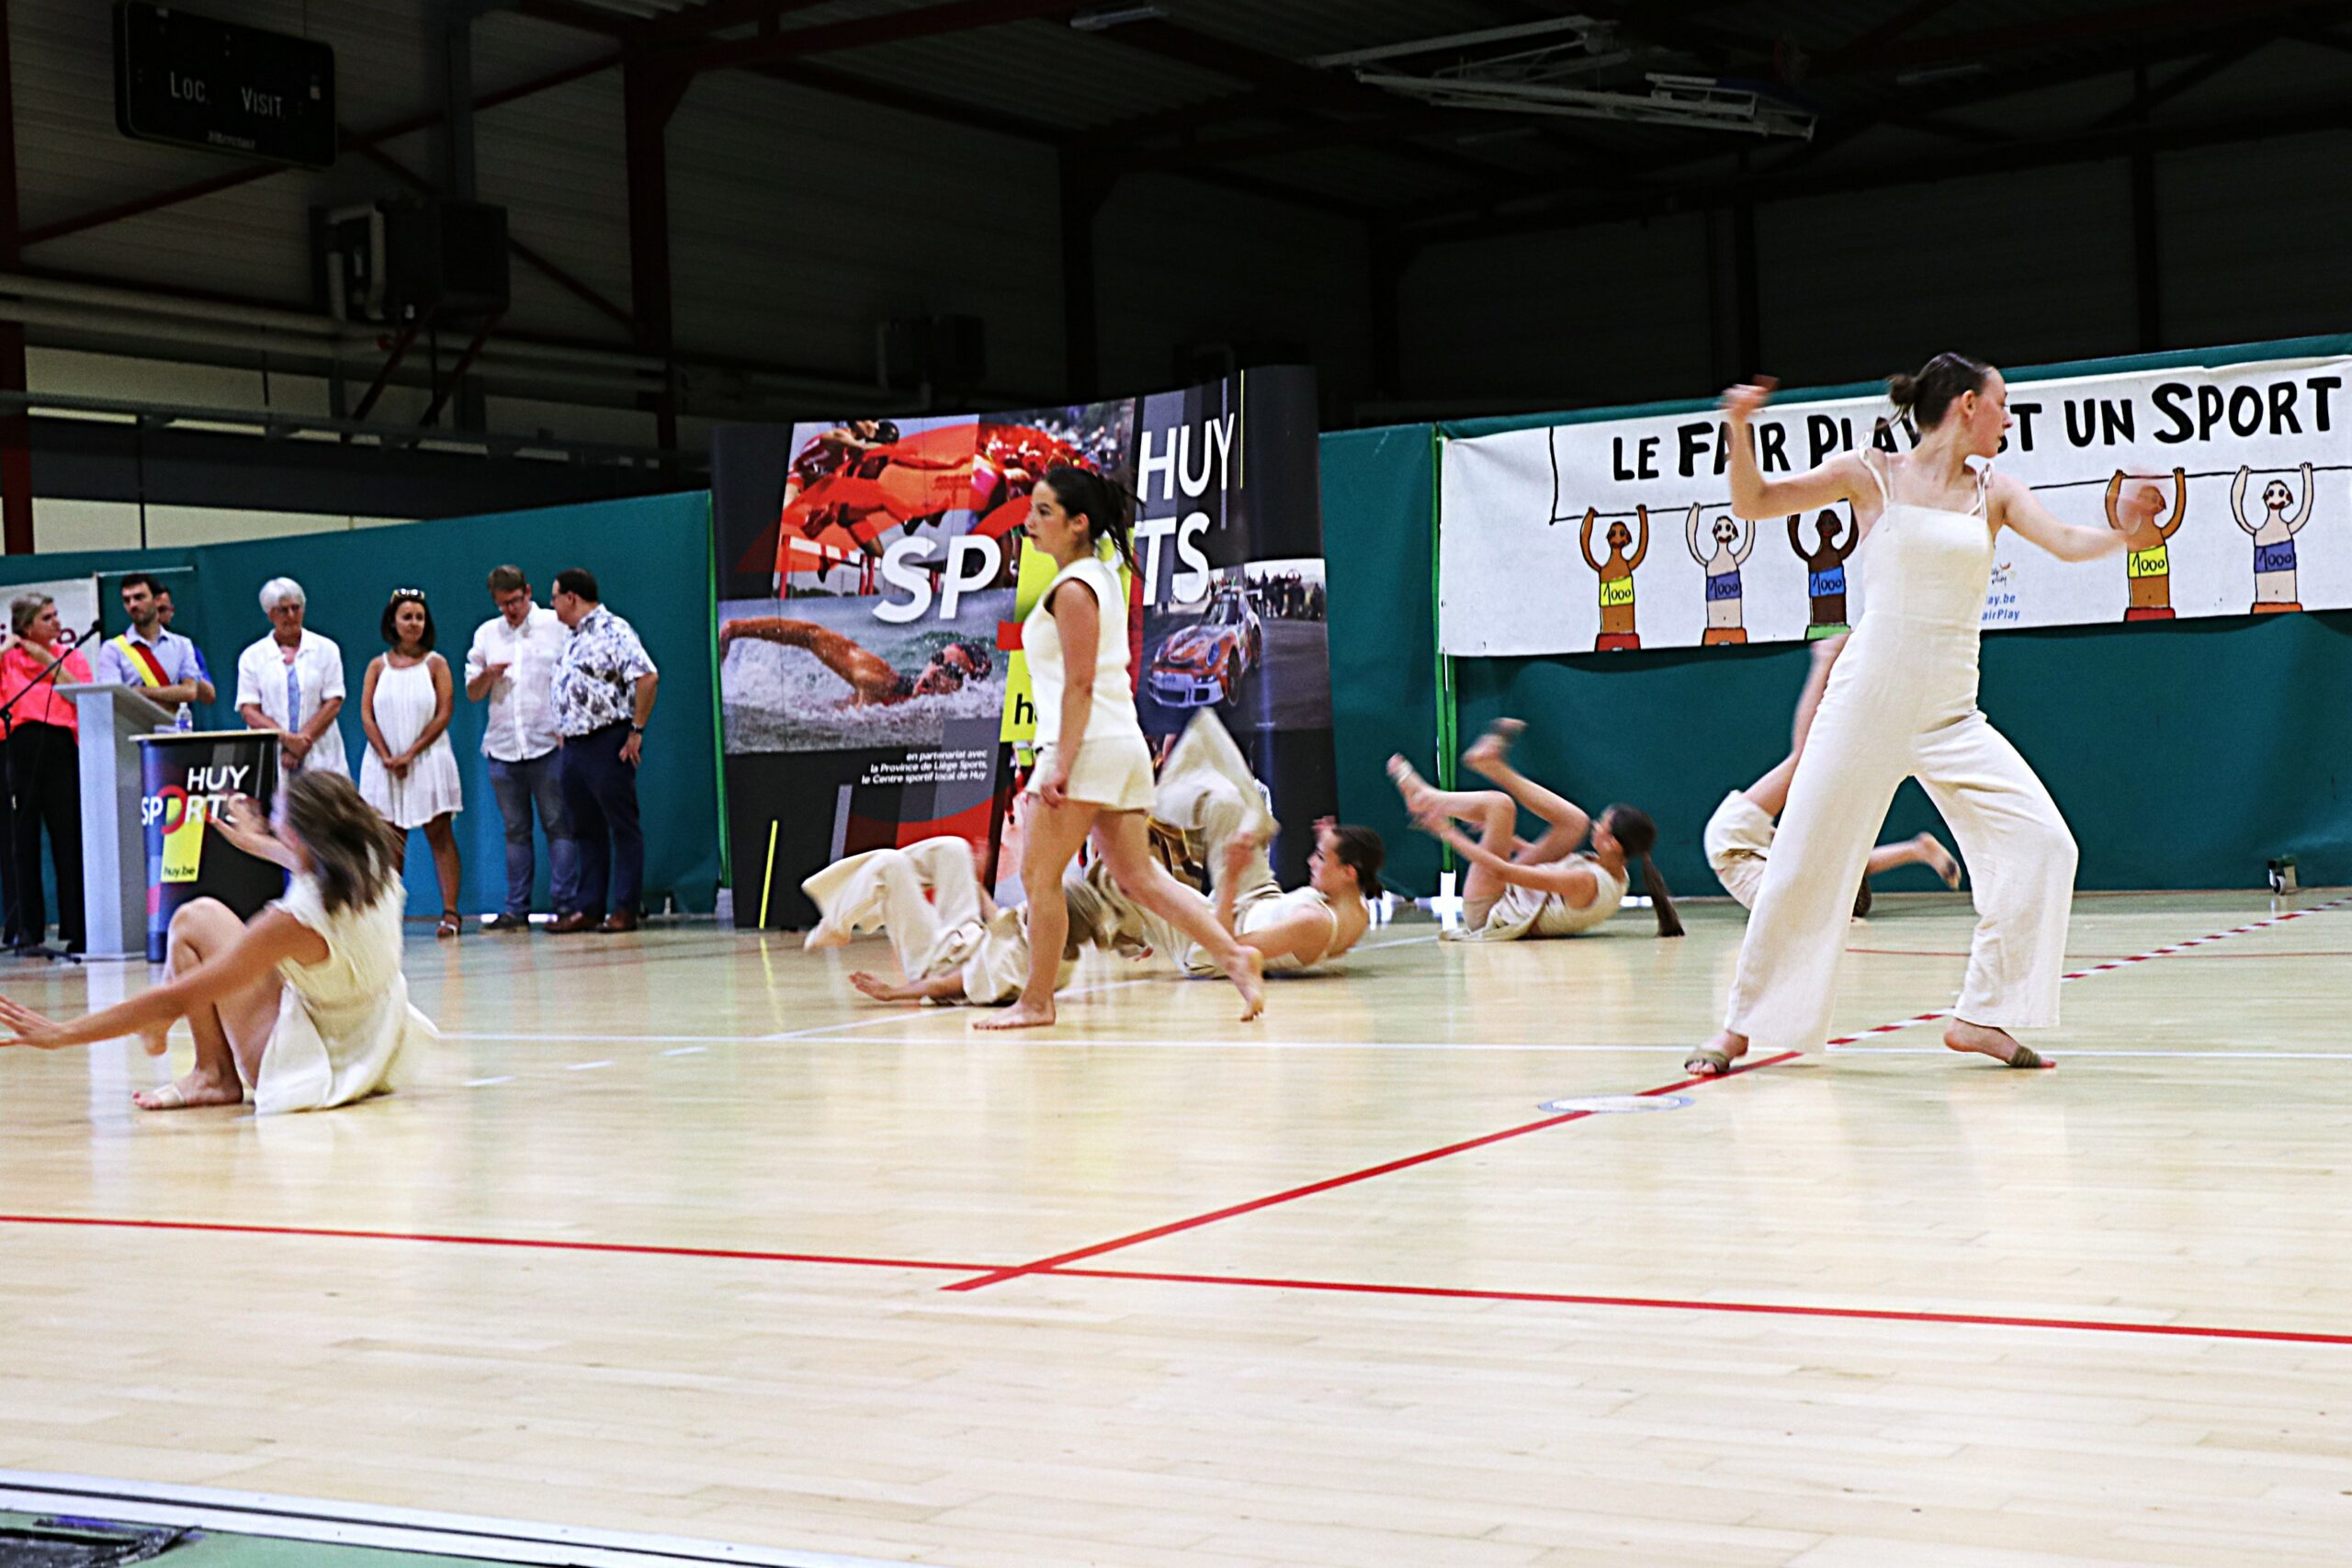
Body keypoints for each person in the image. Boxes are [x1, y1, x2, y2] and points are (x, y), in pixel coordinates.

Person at [1688, 357, 2166, 1077]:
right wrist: (1738, 427)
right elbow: (1754, 503)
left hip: (1950, 711)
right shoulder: (1870, 473)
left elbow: (2068, 542)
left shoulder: (1995, 491)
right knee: (1803, 860)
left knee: (2045, 845)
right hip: (1865, 702)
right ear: (1967, 405)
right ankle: (1739, 1028)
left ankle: (1981, 1014)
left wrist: (2123, 534)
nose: (2009, 418)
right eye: (2002, 403)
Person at [978, 465, 1263, 1030]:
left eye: (1044, 512)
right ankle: (1234, 957)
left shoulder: (1073, 589)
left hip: (1087, 747)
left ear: (1078, 523)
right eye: (1031, 509)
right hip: (1118, 745)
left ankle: (1036, 1001)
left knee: (1039, 879)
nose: (1030, 521)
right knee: (1140, 878)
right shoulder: (1102, 576)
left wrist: (1060, 764)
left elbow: (1080, 684)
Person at [0, 770, 433, 1113]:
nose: (273, 822)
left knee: (193, 919)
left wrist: (61, 1034)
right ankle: (183, 1051)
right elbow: (296, 859)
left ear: (299, 836)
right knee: (203, 922)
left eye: (279, 817)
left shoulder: (294, 920)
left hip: (319, 1060)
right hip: (373, 1045)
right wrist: (252, 838)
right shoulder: (372, 866)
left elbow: (178, 996)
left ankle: (212, 1074)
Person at [1705, 632, 1962, 918]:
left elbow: (1797, 912)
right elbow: (1858, 866)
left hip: (1733, 841)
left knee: (1804, 759)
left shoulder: (1790, 894)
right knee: (1805, 759)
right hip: (1742, 842)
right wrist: (1918, 850)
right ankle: (1826, 658)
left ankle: (1826, 658)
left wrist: (1840, 918)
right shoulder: (1804, 884)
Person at [1105, 711, 1382, 976]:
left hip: (1210, 942)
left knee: (1124, 870)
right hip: (1259, 900)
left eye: (1320, 857)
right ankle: (1169, 795)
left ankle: (1127, 931)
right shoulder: (1357, 911)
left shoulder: (1313, 923)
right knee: (1227, 790)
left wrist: (1231, 877)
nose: (1311, 861)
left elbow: (1224, 948)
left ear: (1349, 872)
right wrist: (1330, 842)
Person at [1390, 718, 1681, 942]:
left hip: (1490, 909)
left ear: (1614, 844)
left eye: (1602, 825)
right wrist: (1503, 837)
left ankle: (1425, 798)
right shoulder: (1615, 871)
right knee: (1575, 822)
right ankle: (1491, 766)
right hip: (1516, 895)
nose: (1596, 826)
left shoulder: (1586, 881)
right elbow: (1542, 868)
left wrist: (1447, 832)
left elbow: (1503, 871)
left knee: (1499, 806)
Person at [801, 836, 1132, 1006]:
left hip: (934, 963)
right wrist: (976, 880)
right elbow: (1002, 922)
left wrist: (893, 993)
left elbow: (945, 985)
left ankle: (838, 924)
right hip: (968, 940)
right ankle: (867, 902)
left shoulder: (1015, 967)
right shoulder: (1047, 940)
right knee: (953, 850)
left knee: (890, 864)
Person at [464, 566, 578, 932]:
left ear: (528, 592)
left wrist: (567, 726)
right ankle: (516, 910)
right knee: (515, 830)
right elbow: (472, 692)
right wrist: (488, 675)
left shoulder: (555, 625)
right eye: (503, 604)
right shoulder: (487, 634)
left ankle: (565, 906)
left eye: (515, 601)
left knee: (559, 826)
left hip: (548, 742)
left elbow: (575, 676)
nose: (510, 610)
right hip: (504, 746)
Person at [548, 568, 657, 933]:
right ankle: (589, 906)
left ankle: (625, 907)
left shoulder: (614, 630)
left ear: (572, 598)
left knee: (621, 825)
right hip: (574, 745)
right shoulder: (571, 637)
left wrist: (636, 730)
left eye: (555, 597)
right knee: (585, 828)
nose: (552, 604)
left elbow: (647, 676)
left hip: (606, 740)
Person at [358, 589, 465, 939]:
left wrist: (411, 753)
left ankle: (451, 913)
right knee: (390, 839)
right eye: (407, 617)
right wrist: (387, 755)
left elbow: (444, 713)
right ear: (393, 622)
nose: (414, 623)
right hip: (384, 762)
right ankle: (388, 915)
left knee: (439, 833)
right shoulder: (377, 666)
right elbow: (366, 714)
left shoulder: (436, 664)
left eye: (419, 617)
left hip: (428, 759)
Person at [1, 595, 93, 953]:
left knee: (67, 839)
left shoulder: (71, 656)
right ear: (26, 628)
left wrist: (46, 660)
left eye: (56, 615)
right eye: (46, 618)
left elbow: (83, 696)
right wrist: (8, 647)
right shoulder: (8, 660)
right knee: (22, 842)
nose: (56, 622)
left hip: (60, 748)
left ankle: (77, 927)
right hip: (19, 749)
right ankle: (28, 929)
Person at [718, 616, 991, 706]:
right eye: (937, 660)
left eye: (951, 671)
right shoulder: (879, 681)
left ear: (964, 688)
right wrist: (736, 629)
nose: (934, 672)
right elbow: (812, 636)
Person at [235, 578, 347, 778]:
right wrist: (286, 740)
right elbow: (249, 710)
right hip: (273, 754)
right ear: (270, 614)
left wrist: (303, 741)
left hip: (321, 753)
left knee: (324, 797)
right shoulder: (251, 657)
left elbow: (333, 702)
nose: (291, 615)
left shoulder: (327, 649)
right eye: (282, 610)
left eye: (296, 608)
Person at [93, 573, 214, 712]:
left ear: (156, 600)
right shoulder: (112, 649)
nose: (132, 605)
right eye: (127, 600)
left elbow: (190, 692)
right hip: (132, 725)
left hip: (173, 725)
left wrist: (140, 691)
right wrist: (173, 694)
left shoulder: (182, 645)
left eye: (139, 597)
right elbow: (113, 700)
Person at [153, 586, 213, 691]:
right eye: (152, 611)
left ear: (172, 611)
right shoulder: (125, 648)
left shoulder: (185, 648)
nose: (157, 617)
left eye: (162, 610)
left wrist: (188, 672)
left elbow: (209, 693)